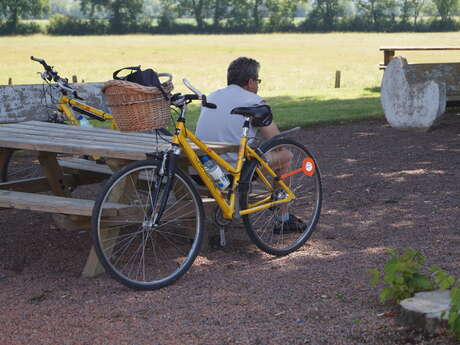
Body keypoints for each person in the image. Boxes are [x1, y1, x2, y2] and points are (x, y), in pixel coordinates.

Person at [195, 56, 305, 233]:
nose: (258, 85)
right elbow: (277, 142)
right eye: (258, 81)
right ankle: (282, 218)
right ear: (250, 81)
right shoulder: (252, 101)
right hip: (231, 172)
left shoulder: (211, 96)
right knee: (286, 156)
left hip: (200, 168)